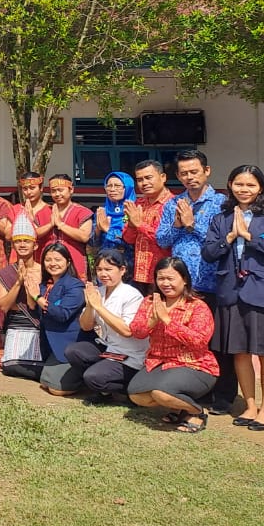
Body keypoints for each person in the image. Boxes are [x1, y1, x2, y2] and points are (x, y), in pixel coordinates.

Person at [201, 164, 264, 432]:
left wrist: (249, 237)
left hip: (263, 292)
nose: (244, 190)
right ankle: (250, 405)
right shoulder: (222, 218)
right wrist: (230, 237)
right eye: (239, 184)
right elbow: (209, 252)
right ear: (230, 185)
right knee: (239, 353)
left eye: (251, 185)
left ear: (261, 188)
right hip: (231, 291)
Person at [154, 149, 233, 414]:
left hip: (212, 284)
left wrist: (192, 225)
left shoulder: (222, 204)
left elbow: (222, 244)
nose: (189, 177)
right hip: (182, 288)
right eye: (184, 173)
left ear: (207, 171)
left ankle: (223, 395)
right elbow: (162, 240)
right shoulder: (172, 204)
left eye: (194, 172)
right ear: (177, 176)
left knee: (217, 342)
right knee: (184, 340)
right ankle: (192, 389)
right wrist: (178, 224)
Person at [128, 256, 219, 434]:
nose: (165, 283)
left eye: (171, 278)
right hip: (158, 363)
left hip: (194, 365)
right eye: (161, 278)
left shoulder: (197, 306)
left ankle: (197, 412)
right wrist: (153, 320)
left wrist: (167, 320)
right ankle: (177, 408)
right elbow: (136, 332)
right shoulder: (149, 302)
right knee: (137, 395)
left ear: (184, 280)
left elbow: (199, 341)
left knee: (160, 393)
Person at [65, 249, 148, 403]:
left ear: (122, 270)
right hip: (108, 347)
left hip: (129, 354)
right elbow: (86, 326)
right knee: (73, 351)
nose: (103, 274)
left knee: (92, 377)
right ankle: (104, 389)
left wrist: (100, 308)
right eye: (99, 269)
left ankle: (130, 388)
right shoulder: (99, 292)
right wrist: (90, 306)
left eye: (108, 269)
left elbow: (127, 330)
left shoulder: (132, 295)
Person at [33, 242, 88, 394]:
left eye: (58, 259)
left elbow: (62, 314)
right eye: (48, 260)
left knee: (57, 390)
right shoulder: (45, 285)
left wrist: (39, 299)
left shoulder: (75, 286)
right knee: (45, 383)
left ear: (68, 261)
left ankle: (84, 377)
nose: (53, 264)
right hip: (52, 343)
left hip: (70, 343)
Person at [0, 214, 44, 379]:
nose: (22, 244)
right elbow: (4, 306)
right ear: (13, 245)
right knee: (10, 366)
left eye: (26, 241)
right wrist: (18, 282)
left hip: (38, 323)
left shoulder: (44, 270)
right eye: (18, 241)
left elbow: (34, 305)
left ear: (35, 246)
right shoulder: (5, 273)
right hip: (16, 323)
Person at [122, 159, 172, 294]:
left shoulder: (173, 204)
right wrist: (132, 225)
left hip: (164, 274)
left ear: (163, 177)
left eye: (148, 178)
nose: (144, 183)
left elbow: (165, 240)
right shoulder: (138, 203)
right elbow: (128, 239)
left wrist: (140, 224)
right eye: (140, 180)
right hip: (139, 273)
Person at [43, 174, 94, 277]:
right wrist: (49, 225)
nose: (57, 194)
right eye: (53, 191)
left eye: (61, 190)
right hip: (49, 264)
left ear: (71, 190)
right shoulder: (44, 211)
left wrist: (60, 225)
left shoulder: (82, 212)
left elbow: (84, 237)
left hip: (74, 262)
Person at [92, 171, 135, 261]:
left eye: (117, 186)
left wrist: (108, 230)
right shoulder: (103, 211)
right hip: (104, 261)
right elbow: (93, 244)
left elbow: (132, 242)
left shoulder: (134, 211)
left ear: (127, 188)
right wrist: (97, 231)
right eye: (109, 186)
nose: (112, 189)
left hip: (127, 261)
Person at [7, 172, 50, 259]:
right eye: (25, 189)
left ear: (41, 188)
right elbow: (8, 235)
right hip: (18, 258)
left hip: (42, 257)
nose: (29, 192)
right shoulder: (16, 209)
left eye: (32, 188)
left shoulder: (50, 210)